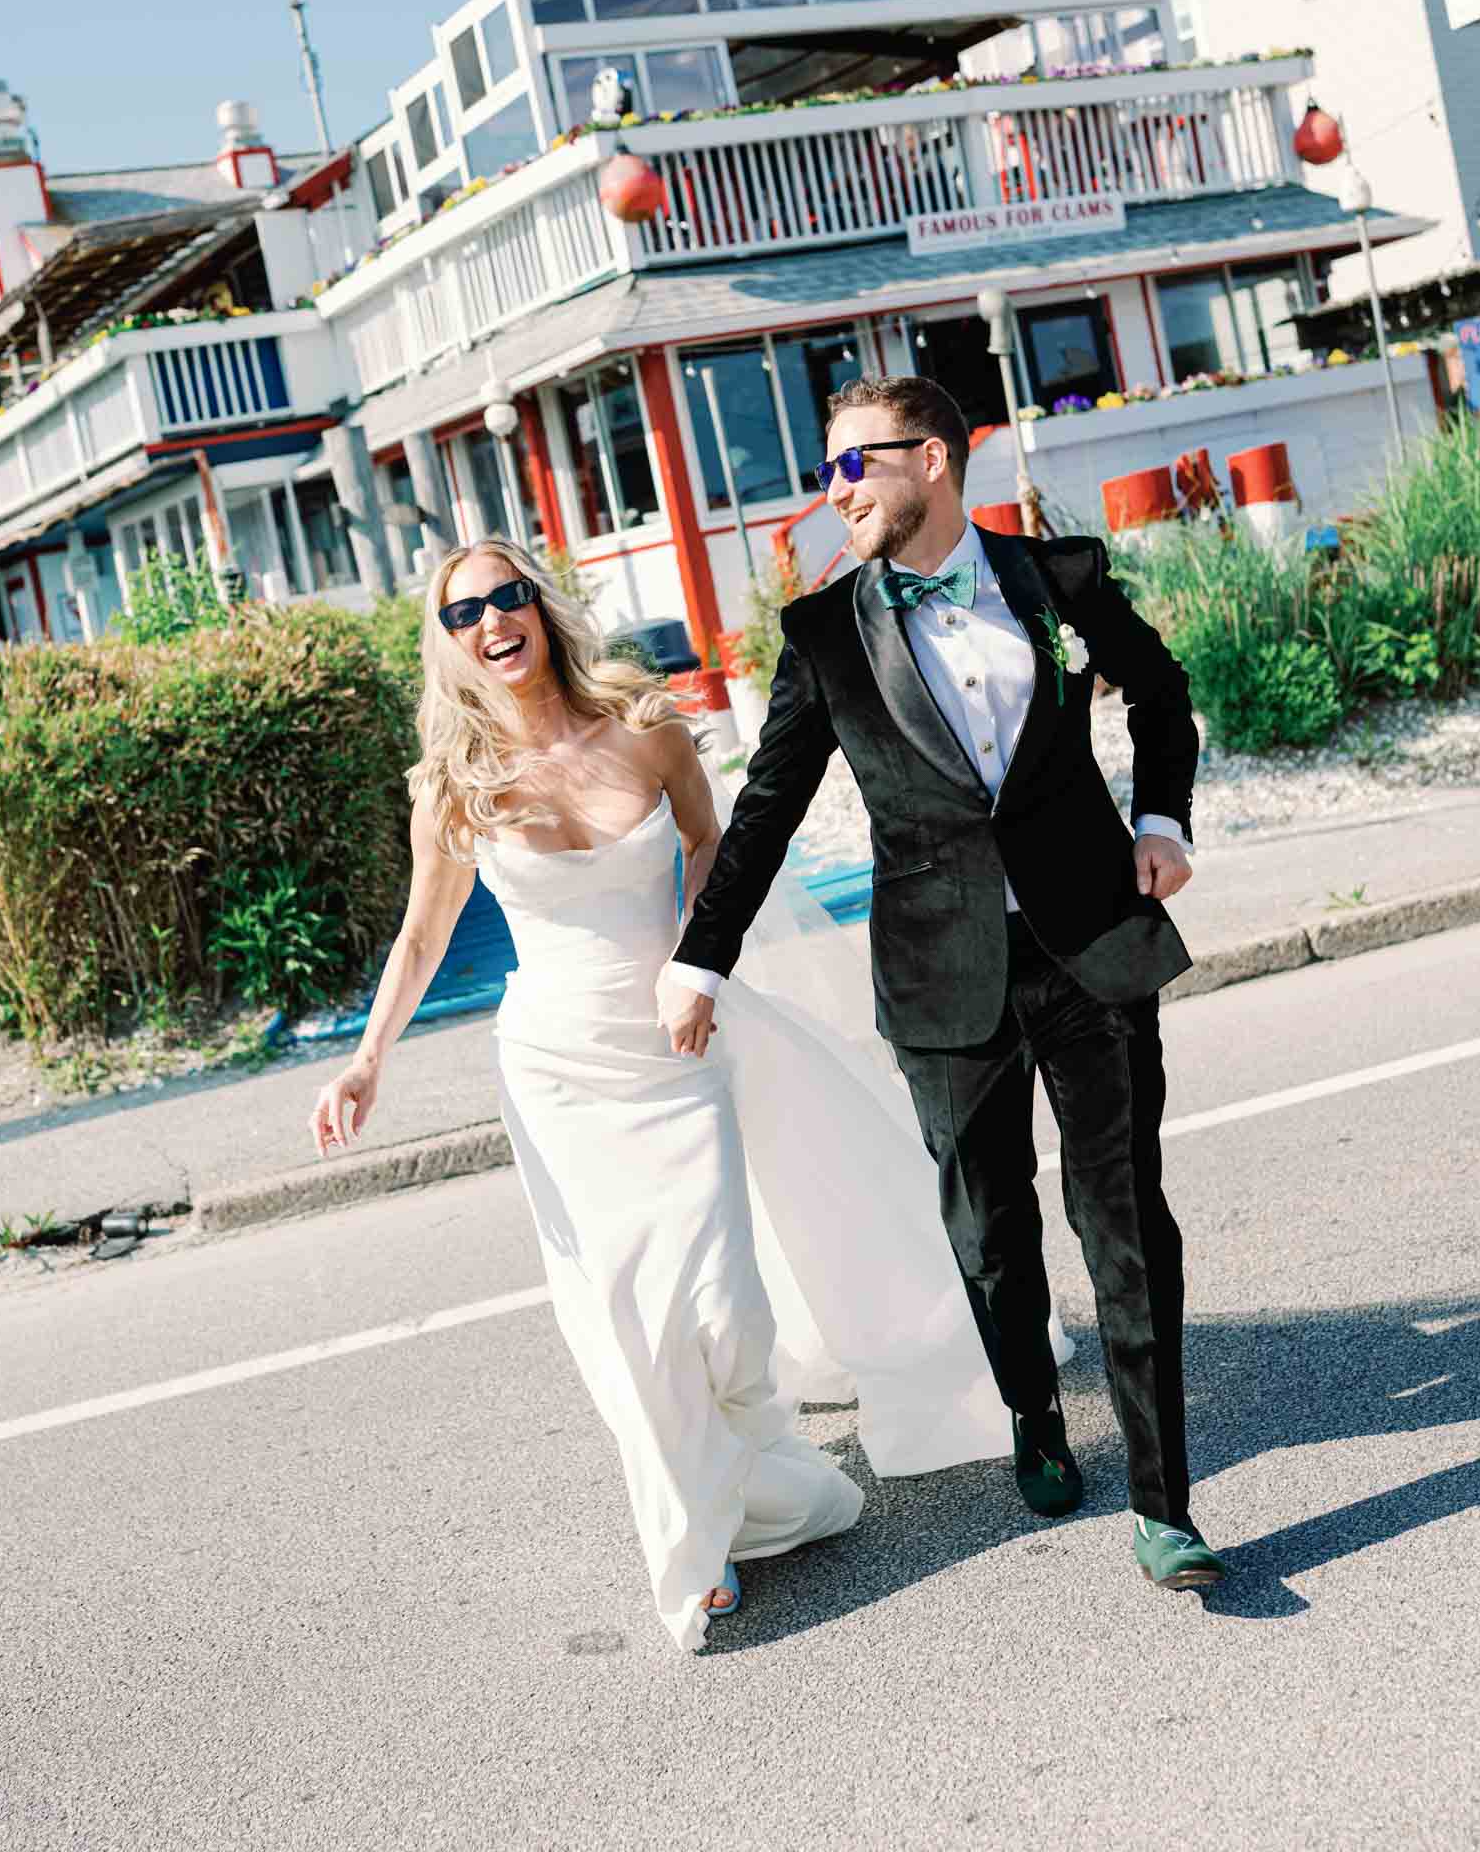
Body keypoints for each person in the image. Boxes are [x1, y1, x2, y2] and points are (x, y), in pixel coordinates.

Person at [309, 537, 1069, 1653]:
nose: (492, 621)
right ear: (451, 639)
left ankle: (759, 1487)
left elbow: (713, 841)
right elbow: (424, 932)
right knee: (625, 1314)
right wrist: (368, 1058)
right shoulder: (455, 786)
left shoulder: (647, 730)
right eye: (466, 610)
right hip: (559, 1070)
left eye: (509, 596)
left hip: (675, 1040)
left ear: (541, 609)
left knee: (720, 1301)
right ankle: (696, 1544)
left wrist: (698, 960)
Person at [664, 375, 1225, 1594]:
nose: (834, 492)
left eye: (851, 467)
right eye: (825, 472)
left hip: (1091, 944)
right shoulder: (822, 636)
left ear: (929, 459)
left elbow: (1162, 692)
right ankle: (1032, 1410)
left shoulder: (1056, 582)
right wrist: (700, 954)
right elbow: (762, 812)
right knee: (988, 1230)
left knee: (1124, 1220)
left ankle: (1164, 1503)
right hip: (937, 971)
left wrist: (1163, 816)